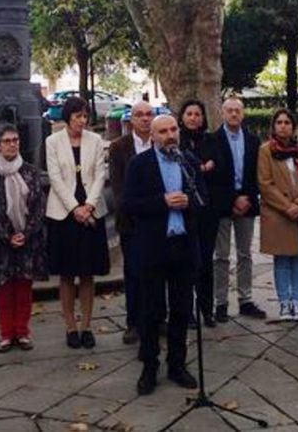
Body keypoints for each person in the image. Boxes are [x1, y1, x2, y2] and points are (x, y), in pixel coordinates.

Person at [124, 114, 204, 395]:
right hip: (153, 247)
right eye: (163, 131)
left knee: (182, 309)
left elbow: (203, 201)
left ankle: (177, 364)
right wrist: (162, 201)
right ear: (153, 136)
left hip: (183, 247)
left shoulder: (189, 163)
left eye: (173, 130)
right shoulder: (140, 164)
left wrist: (188, 202)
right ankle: (149, 366)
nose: (170, 135)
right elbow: (129, 204)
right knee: (151, 311)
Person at [46, 96, 110, 349]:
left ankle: (87, 326)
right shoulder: (53, 141)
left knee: (87, 272)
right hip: (64, 213)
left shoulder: (94, 141)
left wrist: (89, 206)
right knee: (66, 273)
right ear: (67, 118)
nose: (82, 122)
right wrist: (75, 208)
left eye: (85, 117)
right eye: (77, 117)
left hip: (91, 211)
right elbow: (55, 178)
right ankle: (70, 326)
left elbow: (100, 174)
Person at [0, 124, 49, 352]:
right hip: (0, 242)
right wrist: (7, 235)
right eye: (7, 141)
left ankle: (22, 331)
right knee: (4, 288)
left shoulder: (30, 171)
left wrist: (26, 233)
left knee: (23, 286)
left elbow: (39, 205)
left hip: (27, 239)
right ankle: (6, 333)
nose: (12, 144)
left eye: (15, 140)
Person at [257, 109, 298, 321]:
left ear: (293, 127)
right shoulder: (266, 151)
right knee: (282, 259)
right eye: (279, 122)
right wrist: (287, 206)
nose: (283, 126)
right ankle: (284, 303)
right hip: (278, 214)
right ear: (273, 126)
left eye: (287, 122)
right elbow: (265, 184)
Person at [210, 97, 266, 322]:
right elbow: (213, 178)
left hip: (247, 204)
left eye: (237, 111)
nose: (234, 114)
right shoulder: (213, 140)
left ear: (243, 114)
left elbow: (257, 174)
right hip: (223, 206)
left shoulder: (253, 141)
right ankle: (220, 303)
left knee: (245, 254)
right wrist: (233, 199)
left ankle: (245, 299)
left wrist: (247, 198)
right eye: (229, 110)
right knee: (221, 256)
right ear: (222, 113)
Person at [108, 100, 156, 344]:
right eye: (140, 115)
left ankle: (158, 320)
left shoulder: (162, 143)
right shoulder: (119, 148)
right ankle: (134, 323)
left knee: (158, 274)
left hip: (159, 223)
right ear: (131, 120)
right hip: (132, 222)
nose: (145, 119)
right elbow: (118, 189)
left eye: (149, 114)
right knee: (134, 273)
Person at [178, 99, 219, 328]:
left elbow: (219, 166)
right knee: (186, 263)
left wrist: (207, 168)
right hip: (185, 212)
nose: (193, 118)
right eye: (189, 113)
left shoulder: (210, 140)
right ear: (182, 117)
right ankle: (188, 311)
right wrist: (201, 167)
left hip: (207, 212)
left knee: (206, 262)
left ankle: (207, 308)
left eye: (197, 114)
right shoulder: (177, 142)